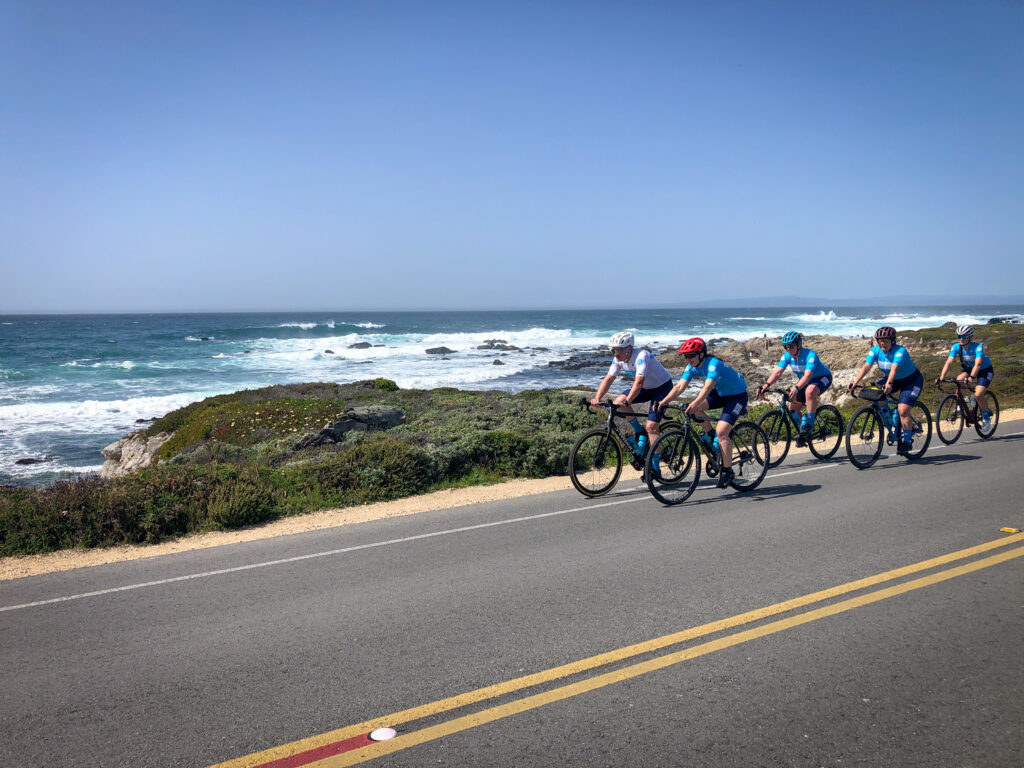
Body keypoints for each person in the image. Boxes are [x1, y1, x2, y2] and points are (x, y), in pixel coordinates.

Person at [656, 337, 748, 488]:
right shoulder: (691, 366)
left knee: (722, 431)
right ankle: (712, 438)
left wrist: (694, 403)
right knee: (694, 411)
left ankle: (727, 470)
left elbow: (707, 388)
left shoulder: (713, 364)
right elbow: (679, 387)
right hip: (720, 394)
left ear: (701, 354)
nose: (688, 359)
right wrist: (664, 401)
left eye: (691, 355)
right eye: (685, 356)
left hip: (737, 396)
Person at [590, 331, 674, 474]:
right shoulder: (618, 359)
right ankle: (639, 431)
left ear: (628, 349)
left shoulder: (642, 355)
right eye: (612, 351)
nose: (614, 354)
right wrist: (597, 398)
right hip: (646, 389)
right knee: (618, 403)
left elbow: (639, 382)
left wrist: (628, 401)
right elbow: (609, 378)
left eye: (617, 351)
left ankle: (655, 468)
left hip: (662, 388)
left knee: (652, 427)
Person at [847, 326, 924, 455]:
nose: (882, 343)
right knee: (876, 392)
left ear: (892, 341)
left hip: (911, 381)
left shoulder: (900, 351)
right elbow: (866, 366)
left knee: (903, 410)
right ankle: (894, 420)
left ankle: (906, 441)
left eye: (886, 341)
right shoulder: (875, 350)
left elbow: (894, 368)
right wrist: (855, 383)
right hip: (893, 379)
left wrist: (889, 383)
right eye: (880, 341)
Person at [755, 331, 833, 447]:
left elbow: (807, 376)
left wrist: (796, 387)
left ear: (798, 344)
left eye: (791, 346)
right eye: (785, 346)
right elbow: (777, 373)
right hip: (805, 381)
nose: (788, 349)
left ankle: (809, 424)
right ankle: (803, 432)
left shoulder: (810, 355)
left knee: (810, 391)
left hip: (822, 377)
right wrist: (766, 385)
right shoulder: (787, 356)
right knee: (792, 406)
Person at [934, 325, 995, 428]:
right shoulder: (956, 347)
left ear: (970, 337)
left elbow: (978, 364)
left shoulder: (978, 347)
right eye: (959, 336)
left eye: (964, 336)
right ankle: (964, 401)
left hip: (984, 370)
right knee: (959, 380)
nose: (961, 339)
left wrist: (971, 378)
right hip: (970, 368)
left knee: (978, 394)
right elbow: (949, 362)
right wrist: (941, 377)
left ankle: (985, 417)